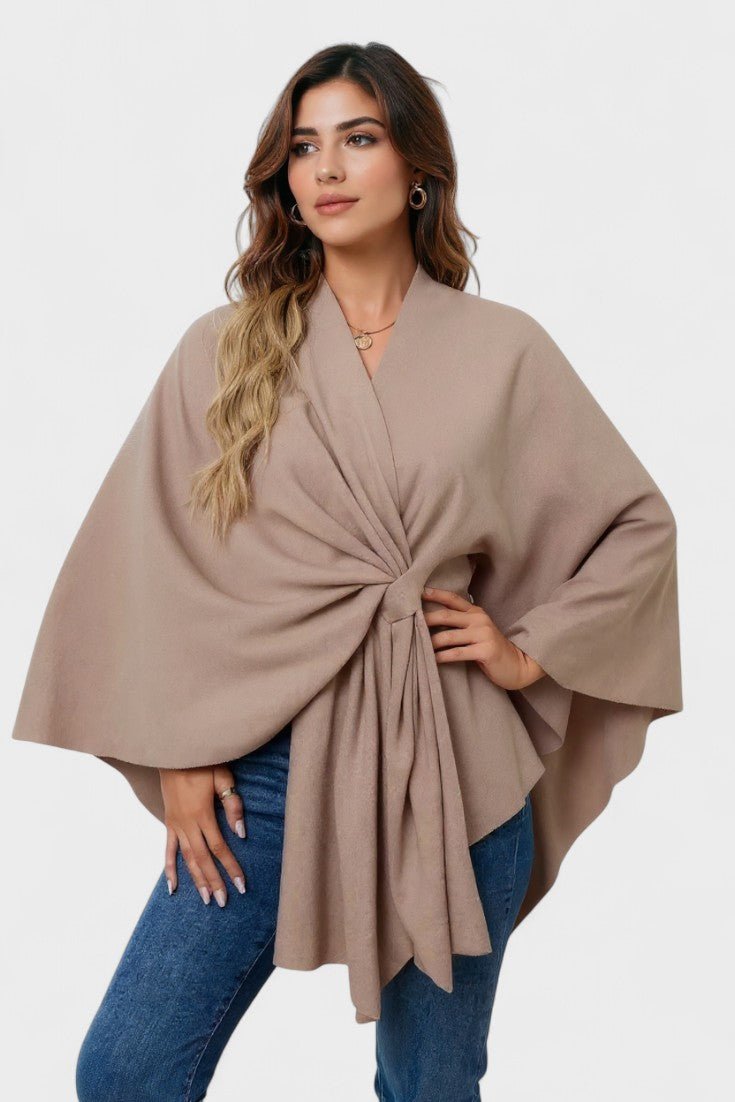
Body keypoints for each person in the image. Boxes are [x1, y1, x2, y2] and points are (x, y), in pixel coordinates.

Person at [11, 42, 682, 1102]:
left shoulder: (505, 349)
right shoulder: (224, 348)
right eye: (303, 147)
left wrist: (528, 652)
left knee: (429, 1086)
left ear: (415, 167)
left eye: (357, 139)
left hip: (454, 758)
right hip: (263, 766)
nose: (324, 168)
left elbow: (636, 525)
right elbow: (155, 558)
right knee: (127, 1068)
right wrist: (178, 742)